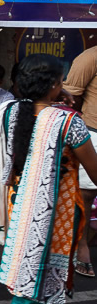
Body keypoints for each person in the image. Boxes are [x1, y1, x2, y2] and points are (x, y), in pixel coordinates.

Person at [0, 54, 96, 304]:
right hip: (55, 219)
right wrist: (65, 104)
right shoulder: (67, 121)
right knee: (31, 295)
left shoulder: (9, 112)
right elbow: (96, 174)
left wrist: (58, 99)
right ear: (55, 84)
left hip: (22, 211)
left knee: (47, 282)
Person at [62, 45, 97, 278]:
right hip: (94, 132)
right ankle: (81, 245)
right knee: (85, 194)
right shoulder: (91, 56)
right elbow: (70, 96)